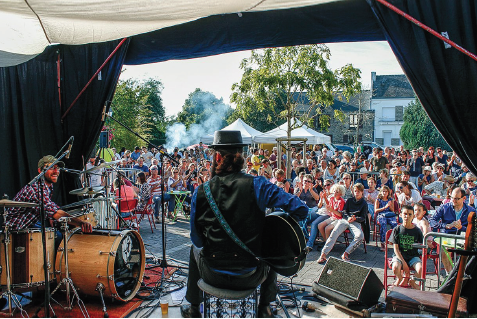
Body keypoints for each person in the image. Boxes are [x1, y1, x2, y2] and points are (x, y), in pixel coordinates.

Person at [181, 131, 308, 318]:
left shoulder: (201, 191)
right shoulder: (258, 185)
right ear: (241, 156)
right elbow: (301, 210)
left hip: (211, 273)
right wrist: (274, 227)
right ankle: (265, 307)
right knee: (269, 248)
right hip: (251, 275)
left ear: (217, 156)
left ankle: (193, 308)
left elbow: (197, 240)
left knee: (193, 249)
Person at [6, 155, 93, 247]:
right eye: (51, 168)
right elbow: (56, 213)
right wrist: (80, 223)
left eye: (57, 168)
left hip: (31, 223)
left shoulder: (48, 187)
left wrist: (50, 217)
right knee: (58, 237)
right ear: (40, 171)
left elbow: (47, 208)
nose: (56, 171)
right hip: (17, 229)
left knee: (56, 232)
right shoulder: (37, 189)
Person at [317, 183, 368, 263]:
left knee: (360, 236)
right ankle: (323, 254)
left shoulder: (364, 204)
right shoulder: (350, 200)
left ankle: (346, 253)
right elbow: (344, 212)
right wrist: (348, 217)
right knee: (334, 233)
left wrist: (354, 218)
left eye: (358, 191)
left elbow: (363, 218)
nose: (356, 193)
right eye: (355, 191)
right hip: (345, 220)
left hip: (355, 222)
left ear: (362, 192)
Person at [388, 205, 423, 289]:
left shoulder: (417, 230)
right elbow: (395, 249)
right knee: (395, 267)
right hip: (399, 255)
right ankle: (399, 278)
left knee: (420, 269)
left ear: (413, 216)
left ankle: (412, 281)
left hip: (413, 256)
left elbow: (422, 244)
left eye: (410, 214)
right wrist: (404, 263)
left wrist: (428, 244)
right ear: (401, 215)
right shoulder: (397, 229)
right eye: (405, 214)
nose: (407, 216)